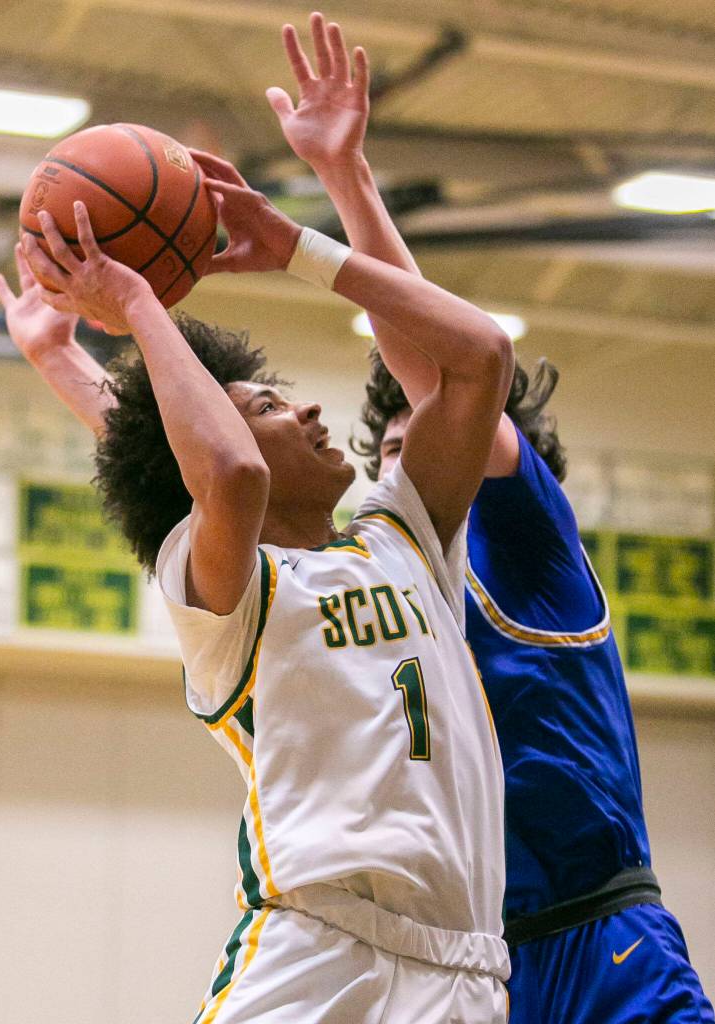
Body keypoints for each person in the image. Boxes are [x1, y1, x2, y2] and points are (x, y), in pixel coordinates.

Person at [1, 123, 514, 1023]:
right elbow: (224, 472)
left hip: (465, 969)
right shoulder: (225, 594)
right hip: (317, 956)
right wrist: (133, 304)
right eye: (270, 404)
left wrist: (297, 248)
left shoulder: (405, 539)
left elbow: (480, 357)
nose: (311, 404)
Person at [269, 15, 713, 1022]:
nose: (398, 471)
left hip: (600, 942)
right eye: (383, 460)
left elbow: (442, 372)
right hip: (471, 969)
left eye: (417, 446)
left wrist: (345, 184)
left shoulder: (527, 544)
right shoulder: (384, 605)